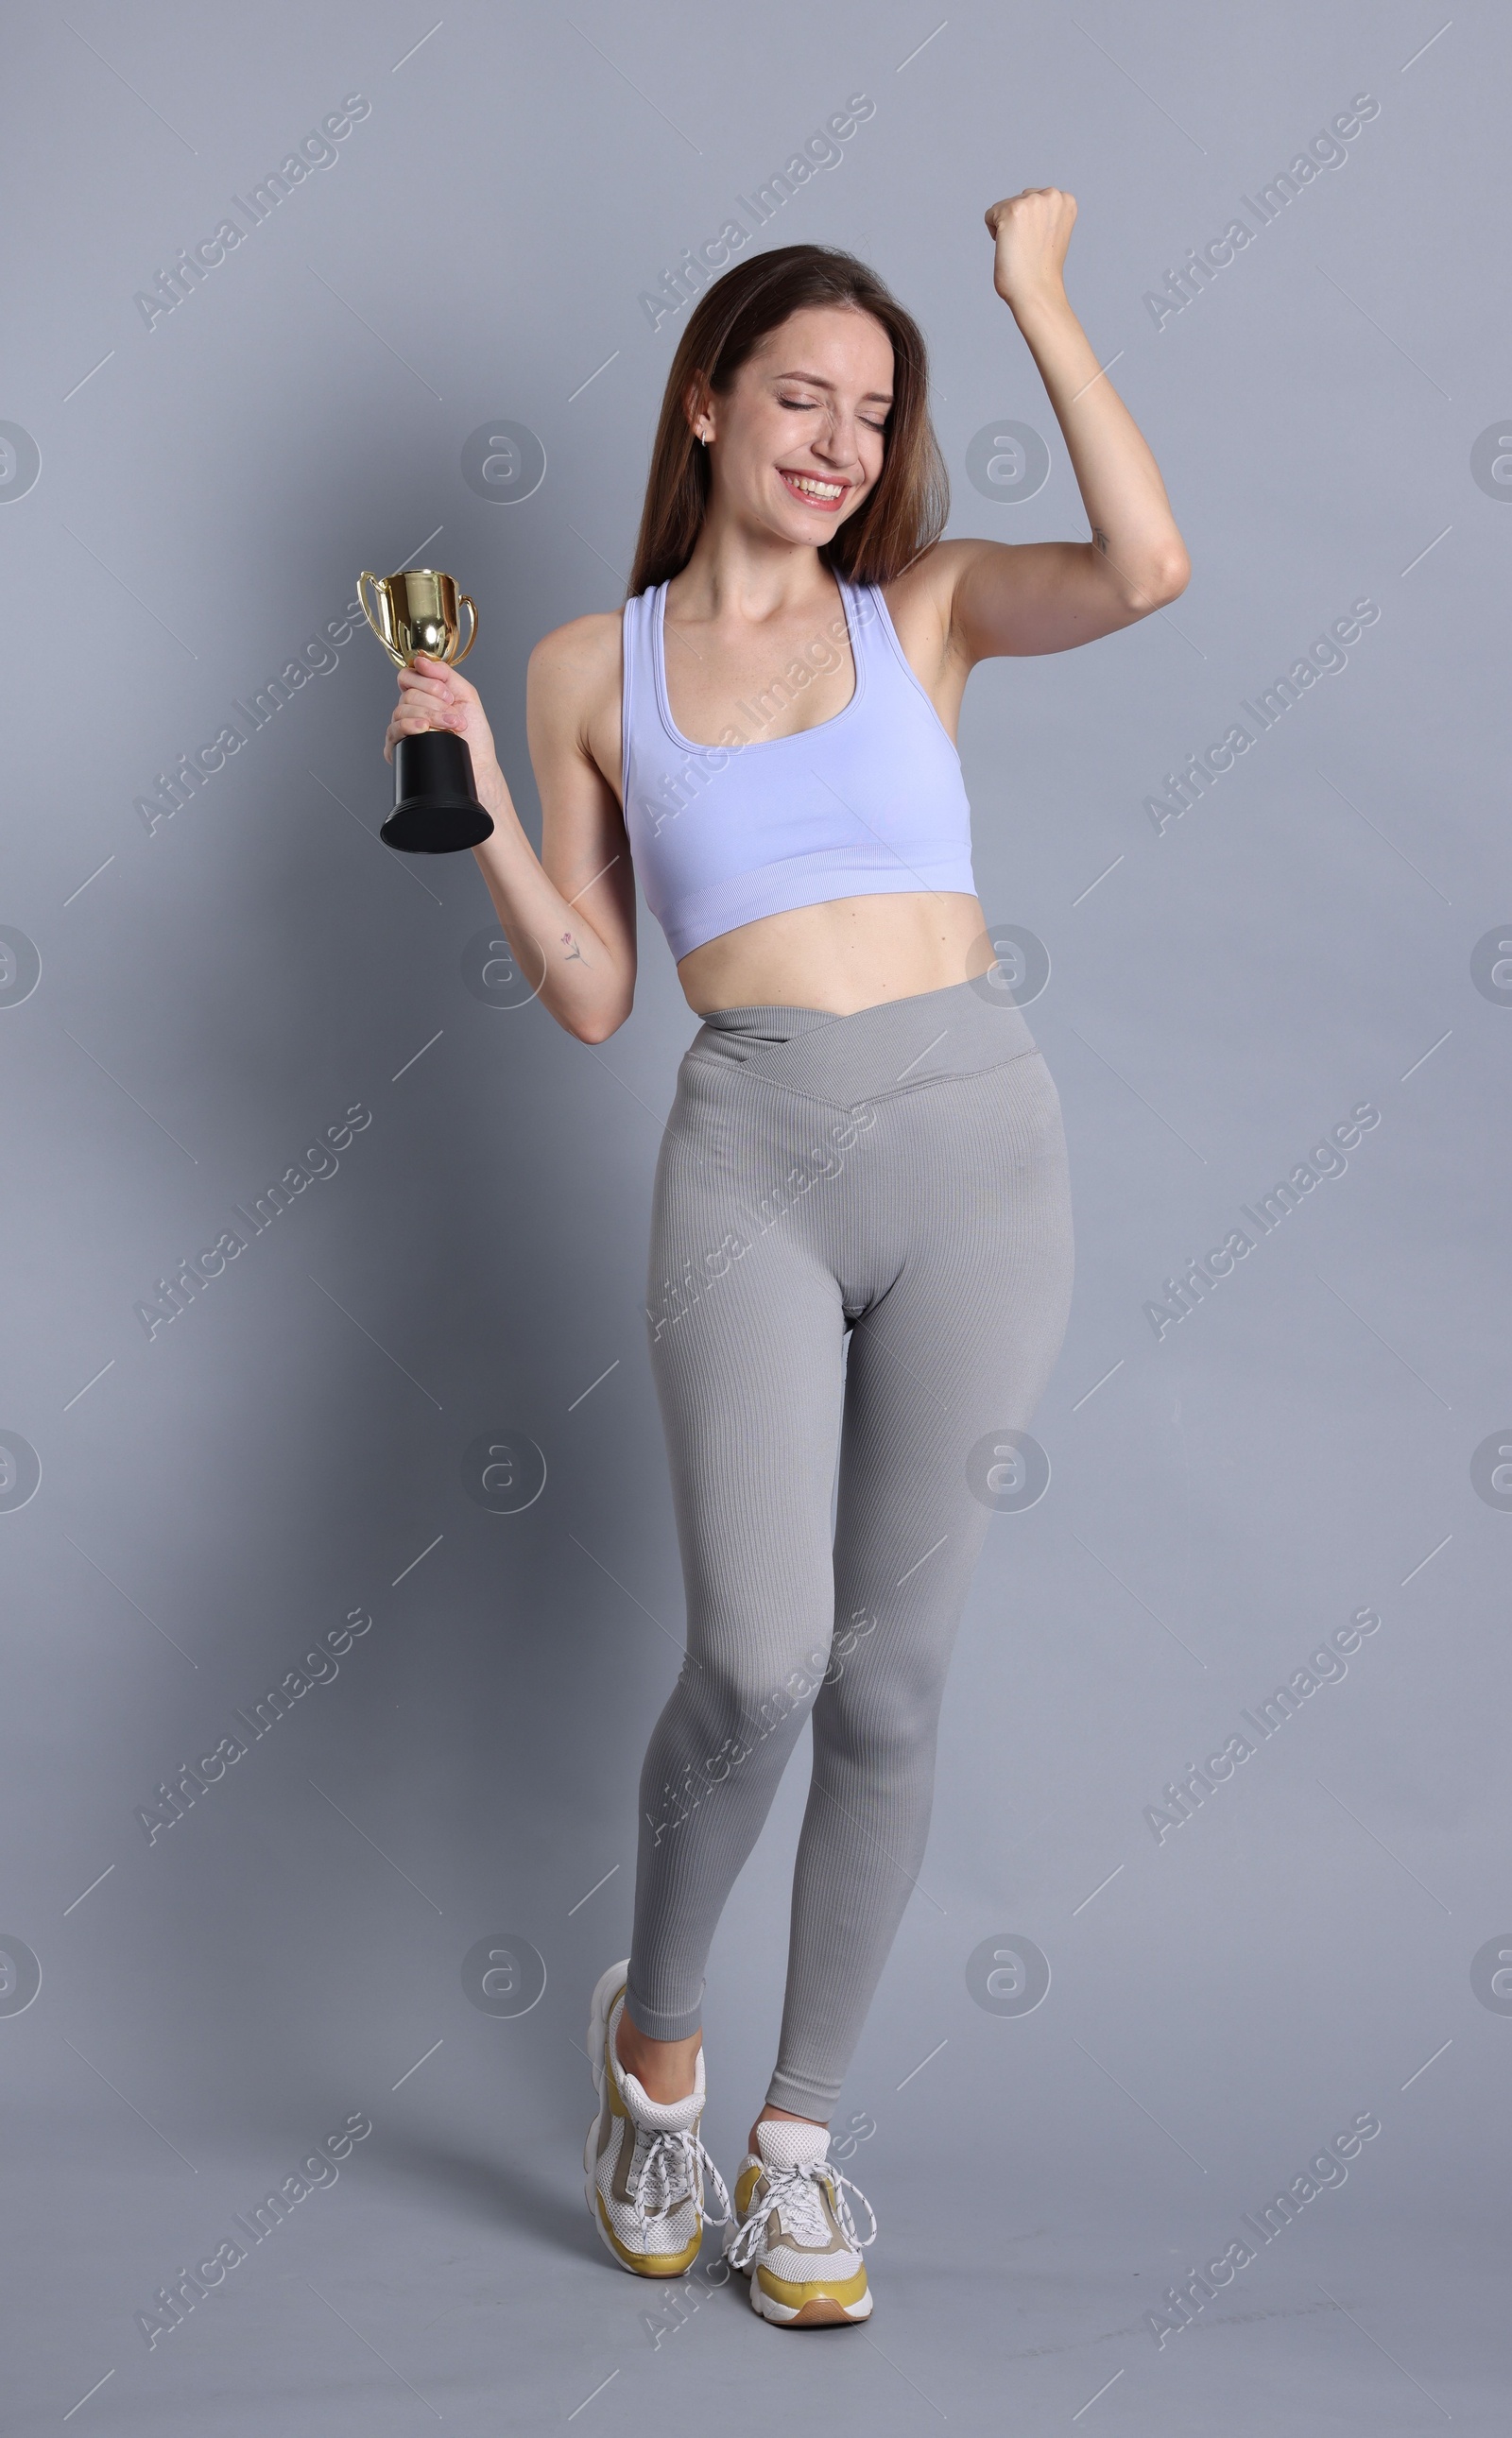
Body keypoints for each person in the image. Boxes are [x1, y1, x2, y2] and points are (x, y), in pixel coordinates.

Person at [385, 195, 1189, 2328]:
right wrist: (466, 789)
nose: (838, 440)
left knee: (892, 1686)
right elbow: (587, 993)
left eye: (875, 410)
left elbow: (1144, 567)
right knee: (756, 1663)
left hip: (979, 1160)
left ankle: (798, 2150)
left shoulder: (918, 610)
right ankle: (653, 2054)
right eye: (801, 397)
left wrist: (1030, 297)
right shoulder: (587, 666)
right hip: (745, 1149)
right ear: (708, 398)